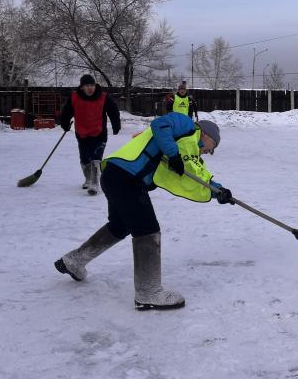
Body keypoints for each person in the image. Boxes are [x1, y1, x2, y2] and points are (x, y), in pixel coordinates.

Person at [54, 116, 233, 310]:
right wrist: (173, 155)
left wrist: (219, 192)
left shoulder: (187, 150)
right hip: (126, 176)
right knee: (147, 230)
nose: (208, 151)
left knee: (119, 226)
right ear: (206, 134)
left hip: (116, 176)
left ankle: (74, 260)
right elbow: (160, 124)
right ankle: (148, 292)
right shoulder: (187, 126)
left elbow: (195, 177)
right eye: (212, 146)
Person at [59, 74, 121, 196]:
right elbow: (66, 112)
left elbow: (113, 111)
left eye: (92, 85)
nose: (90, 88)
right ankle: (88, 179)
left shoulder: (103, 97)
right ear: (82, 87)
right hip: (81, 133)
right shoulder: (74, 97)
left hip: (99, 133)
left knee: (96, 159)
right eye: (87, 85)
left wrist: (116, 125)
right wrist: (65, 124)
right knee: (84, 158)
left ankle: (94, 183)